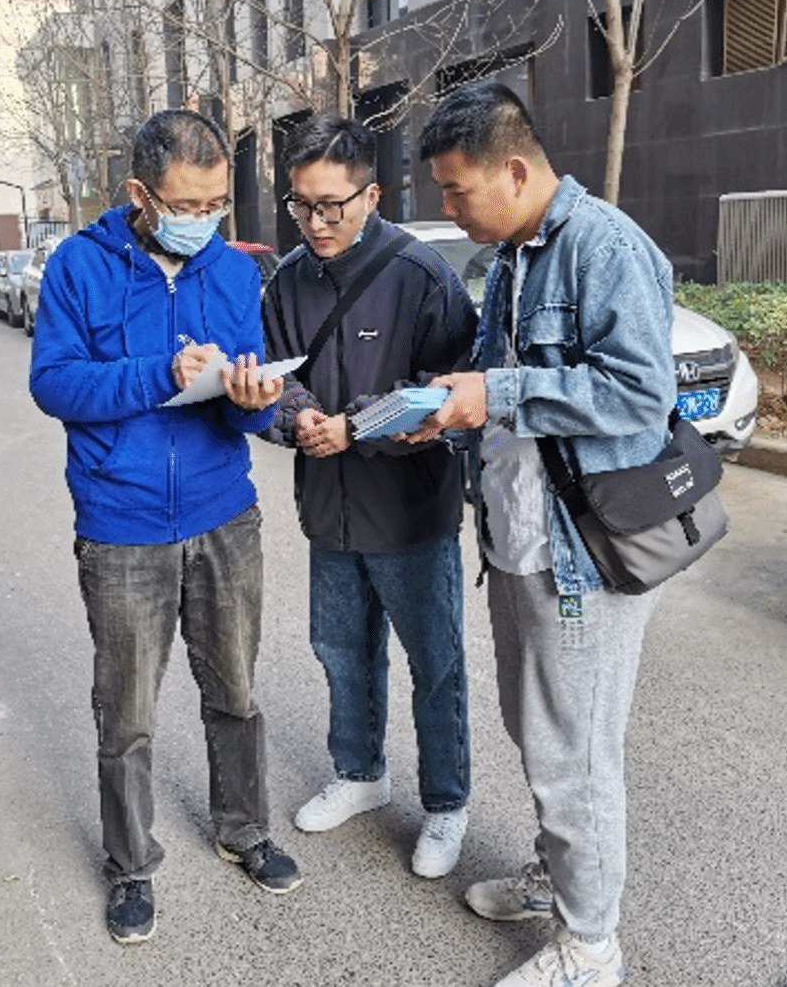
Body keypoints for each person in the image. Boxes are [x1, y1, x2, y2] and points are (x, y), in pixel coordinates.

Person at [410, 82, 677, 987]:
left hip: (582, 552)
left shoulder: (606, 248)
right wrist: (448, 409)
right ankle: (557, 881)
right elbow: (500, 385)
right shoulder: (513, 258)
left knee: (577, 754)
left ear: (515, 171)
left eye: (457, 192)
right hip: (518, 535)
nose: (450, 210)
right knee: (537, 733)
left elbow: (641, 395)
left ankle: (591, 947)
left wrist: (499, 392)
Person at [29, 109, 302, 946]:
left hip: (224, 514)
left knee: (236, 692)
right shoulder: (79, 266)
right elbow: (55, 385)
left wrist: (256, 401)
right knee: (127, 711)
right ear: (140, 194)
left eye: (217, 203)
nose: (203, 220)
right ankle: (131, 865)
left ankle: (244, 829)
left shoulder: (232, 271)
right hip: (122, 525)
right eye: (187, 205)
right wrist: (159, 373)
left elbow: (247, 404)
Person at [259, 115, 477, 878]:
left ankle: (446, 803)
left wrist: (357, 426)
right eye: (302, 205)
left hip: (412, 513)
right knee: (341, 652)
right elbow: (273, 375)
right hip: (329, 509)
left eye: (333, 206)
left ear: (372, 195)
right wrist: (297, 417)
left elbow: (450, 394)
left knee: (435, 663)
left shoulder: (422, 276)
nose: (316, 222)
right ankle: (359, 773)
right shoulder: (288, 281)